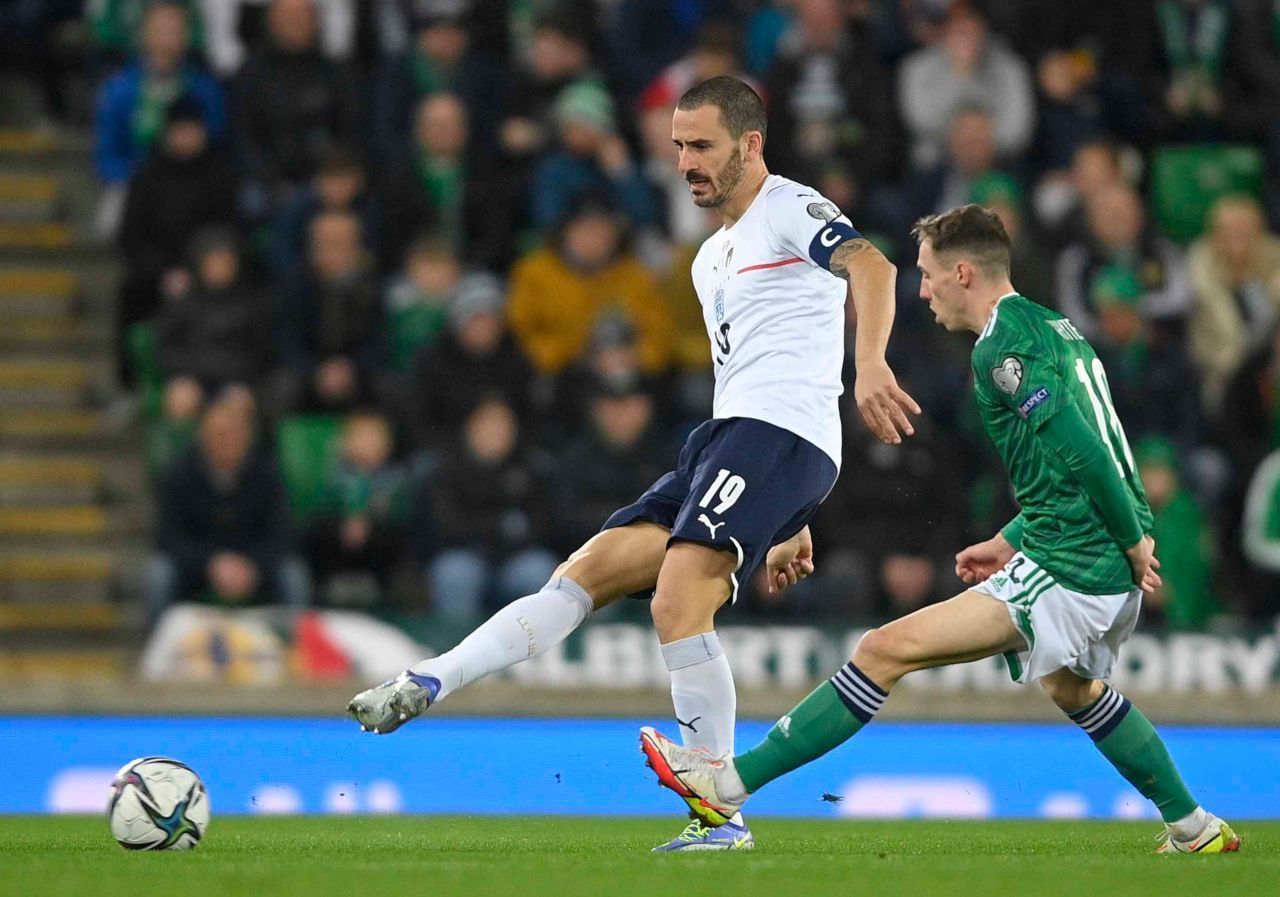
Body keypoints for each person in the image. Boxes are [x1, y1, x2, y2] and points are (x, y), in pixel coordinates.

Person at [348, 75, 917, 852]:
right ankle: (431, 678)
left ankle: (721, 810)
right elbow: (757, 362)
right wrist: (790, 515)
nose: (685, 161)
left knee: (679, 598)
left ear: (750, 145)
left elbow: (874, 268)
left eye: (702, 145)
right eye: (677, 145)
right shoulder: (709, 257)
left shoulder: (790, 205)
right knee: (590, 568)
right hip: (730, 439)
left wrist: (872, 365)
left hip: (778, 436)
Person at [638, 204, 1240, 856]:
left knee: (882, 648)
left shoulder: (1001, 349)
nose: (920, 292)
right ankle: (1194, 827)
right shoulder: (1051, 326)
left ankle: (724, 786)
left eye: (926, 276)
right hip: (1075, 541)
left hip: (1080, 554)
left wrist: (1129, 542)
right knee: (1073, 687)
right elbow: (1074, 456)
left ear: (961, 273)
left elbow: (1084, 451)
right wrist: (1014, 537)